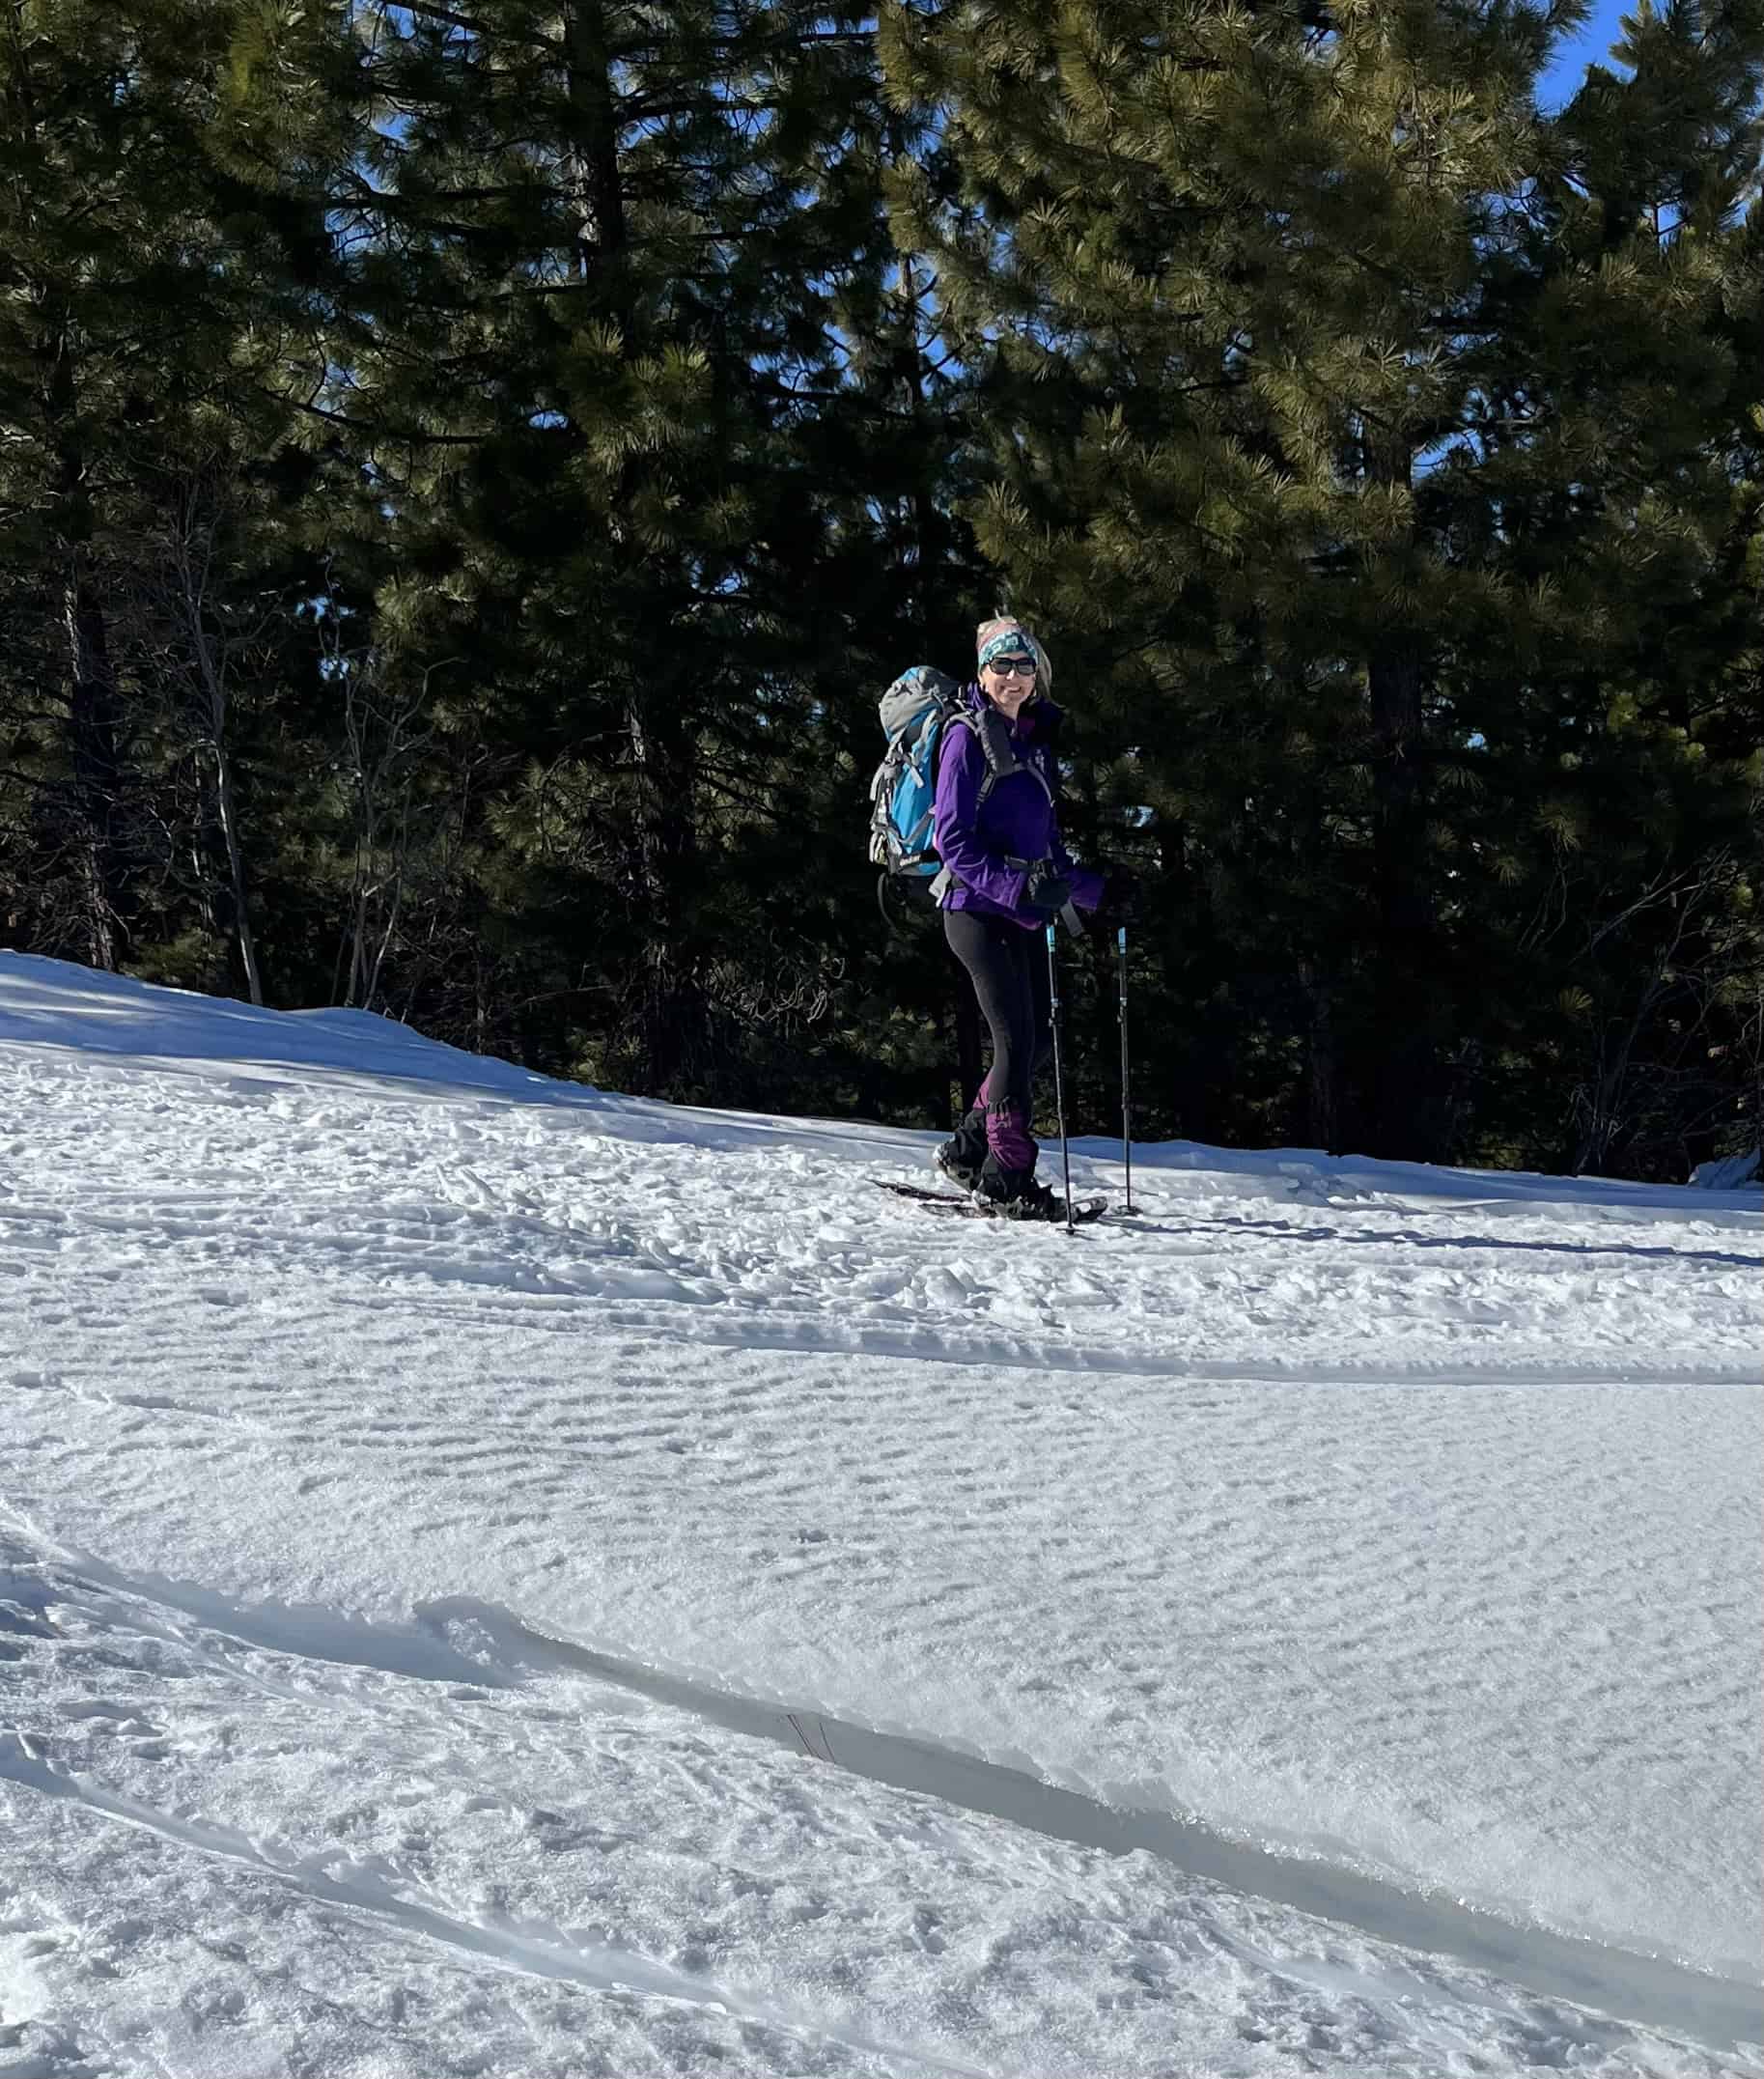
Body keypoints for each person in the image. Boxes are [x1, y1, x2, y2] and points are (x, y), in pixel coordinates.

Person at [931, 616, 1104, 1218]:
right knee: (1013, 1039)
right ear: (982, 672)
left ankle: (966, 1149)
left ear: (1037, 675)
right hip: (974, 911)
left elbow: (1047, 854)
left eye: (1023, 666)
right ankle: (1007, 1176)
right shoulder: (965, 738)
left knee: (1032, 1047)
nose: (1012, 676)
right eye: (1000, 665)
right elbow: (951, 838)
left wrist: (1099, 893)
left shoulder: (1029, 742)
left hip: (1020, 914)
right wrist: (1013, 887)